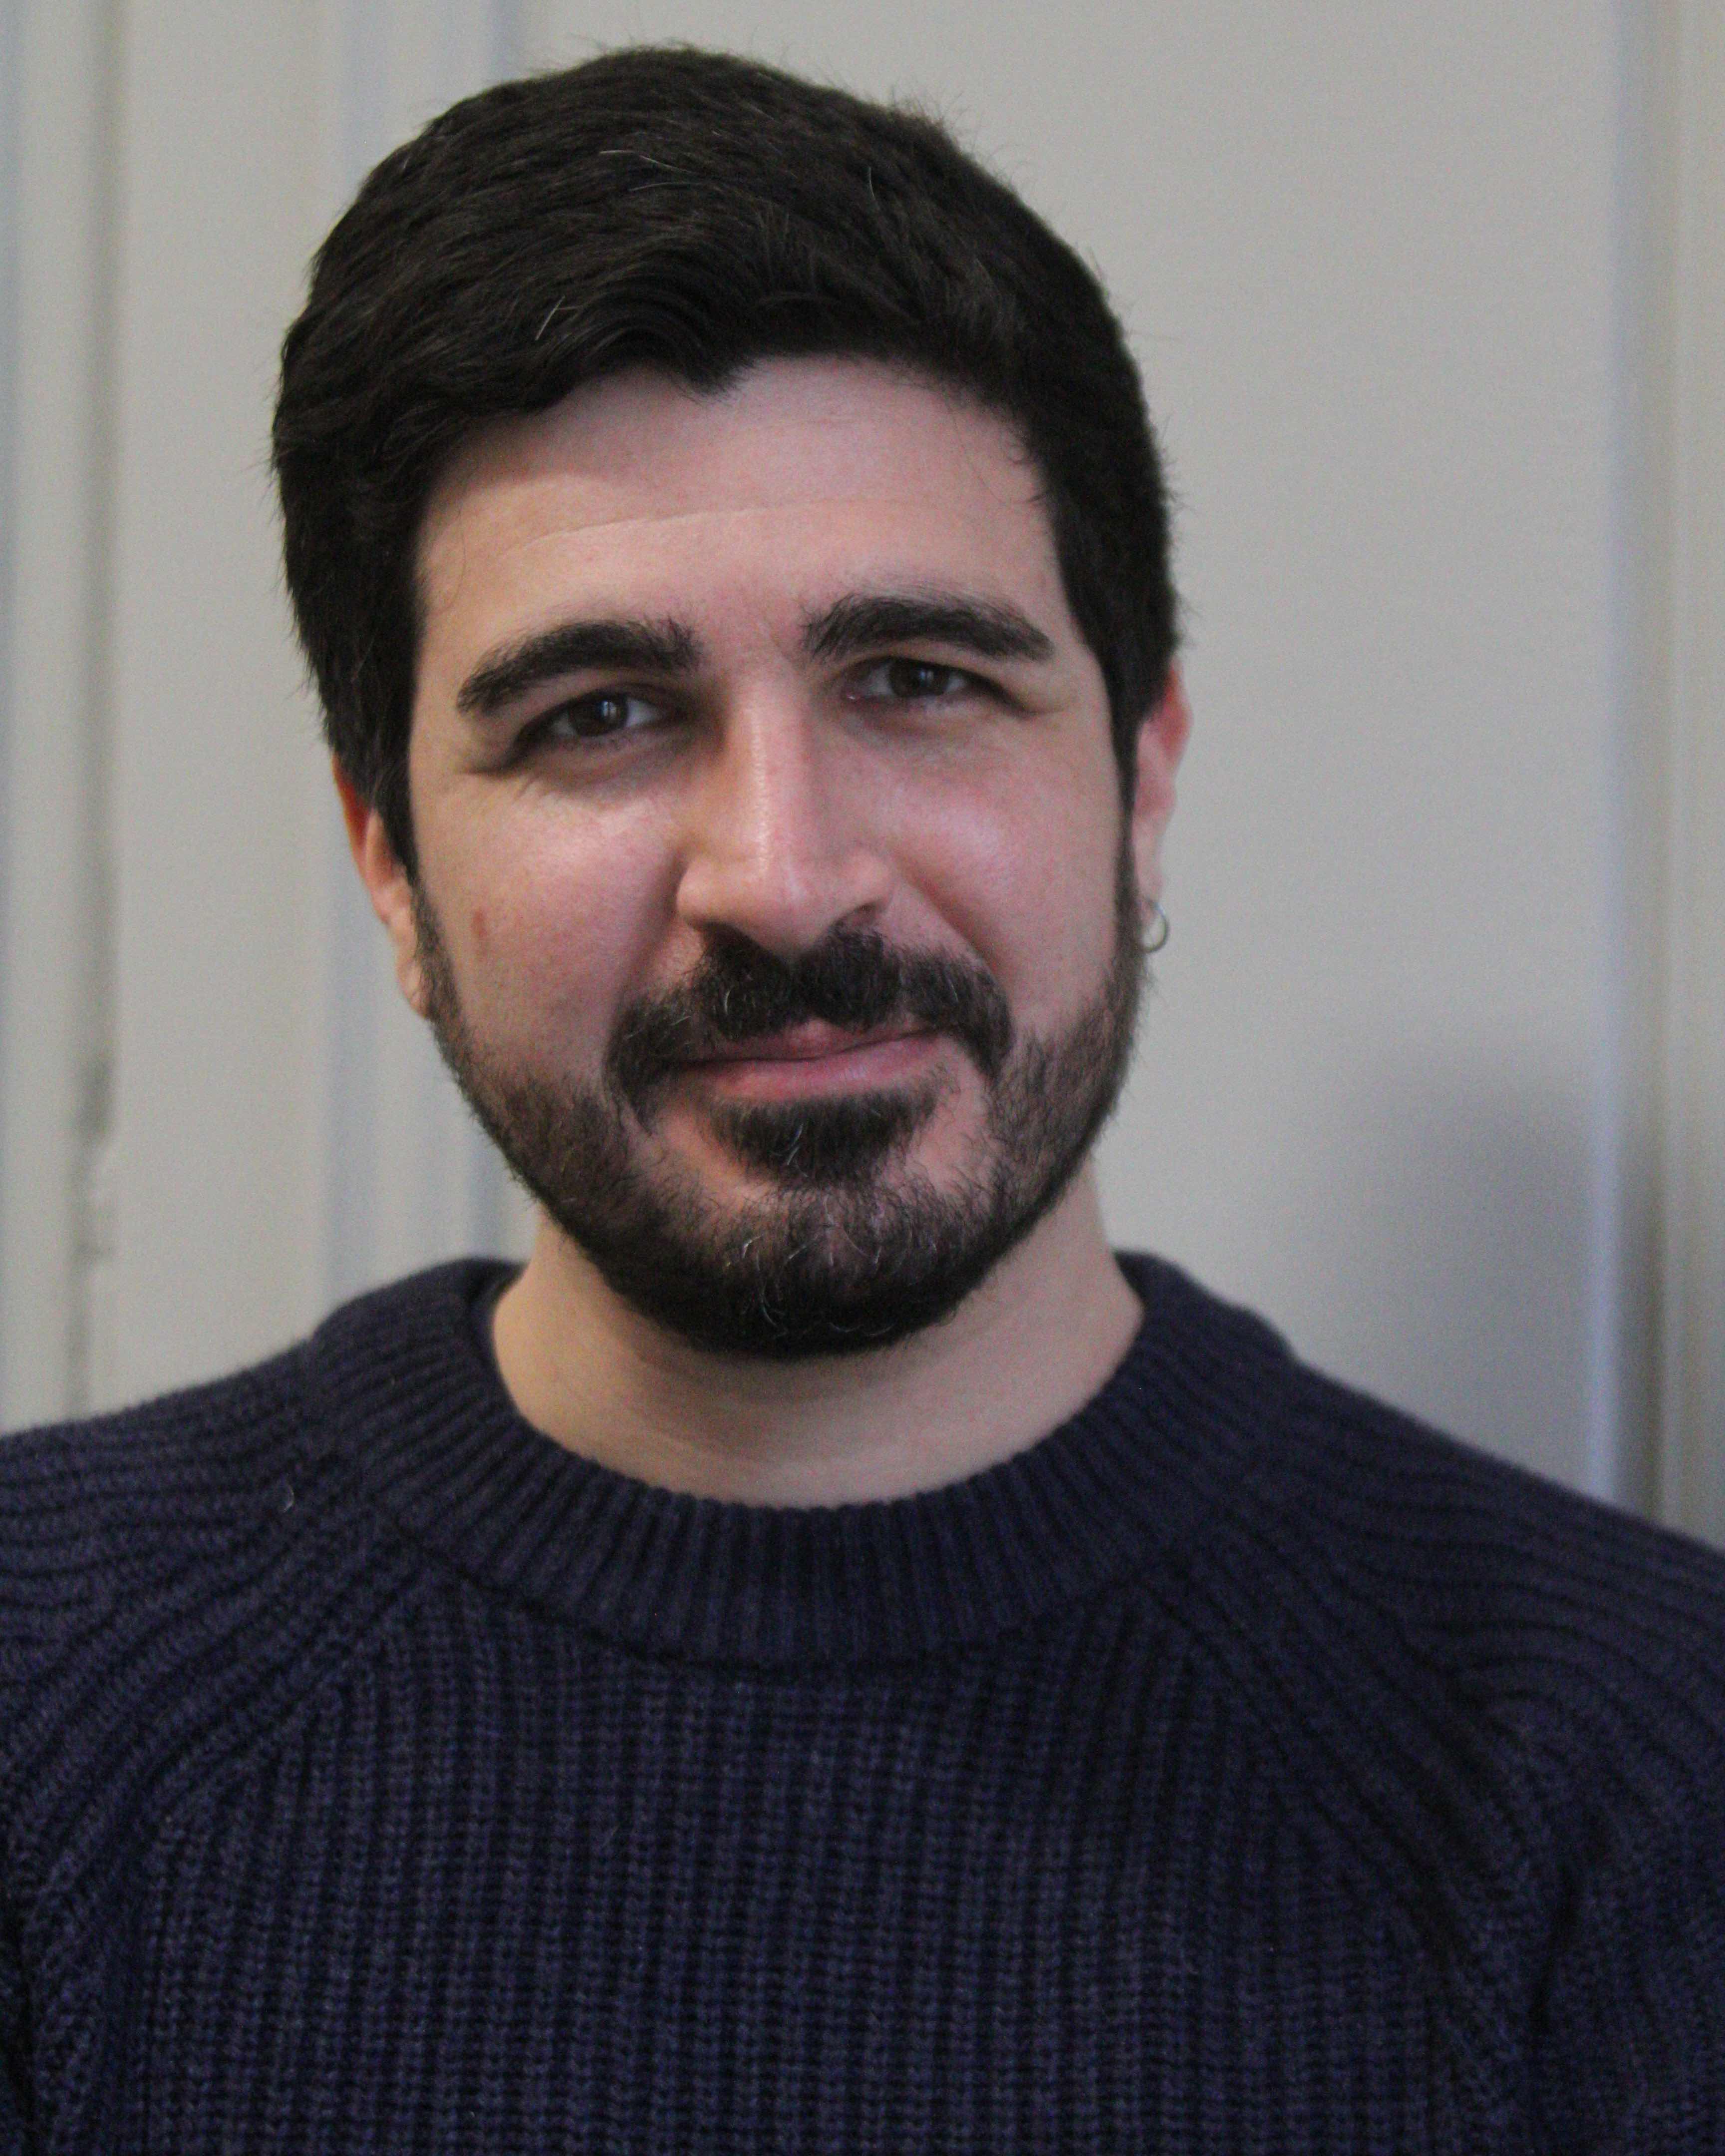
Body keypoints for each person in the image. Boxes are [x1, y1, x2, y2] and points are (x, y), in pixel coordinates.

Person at [2, 45, 1722, 2153]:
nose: (786, 877)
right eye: (599, 714)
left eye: (920, 681)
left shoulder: (1645, 1788)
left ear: (1142, 778)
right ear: (390, 860)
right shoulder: (38, 1702)